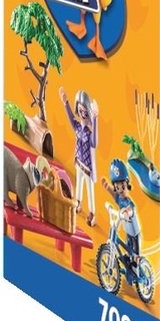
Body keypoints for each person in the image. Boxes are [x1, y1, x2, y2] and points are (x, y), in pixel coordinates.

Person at [59, 86, 98, 226]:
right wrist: (66, 103)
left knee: (90, 190)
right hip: (79, 163)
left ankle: (92, 213)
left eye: (85, 112)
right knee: (79, 185)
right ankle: (78, 202)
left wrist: (96, 119)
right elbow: (71, 119)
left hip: (87, 167)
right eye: (80, 111)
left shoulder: (89, 133)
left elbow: (94, 143)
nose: (82, 114)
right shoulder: (77, 128)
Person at [102, 159, 142, 264]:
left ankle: (138, 268)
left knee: (135, 257)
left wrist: (127, 212)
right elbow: (114, 194)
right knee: (128, 250)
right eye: (117, 187)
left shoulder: (129, 202)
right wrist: (107, 187)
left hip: (135, 233)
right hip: (128, 232)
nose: (120, 190)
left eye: (123, 186)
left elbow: (131, 209)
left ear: (127, 184)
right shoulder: (119, 198)